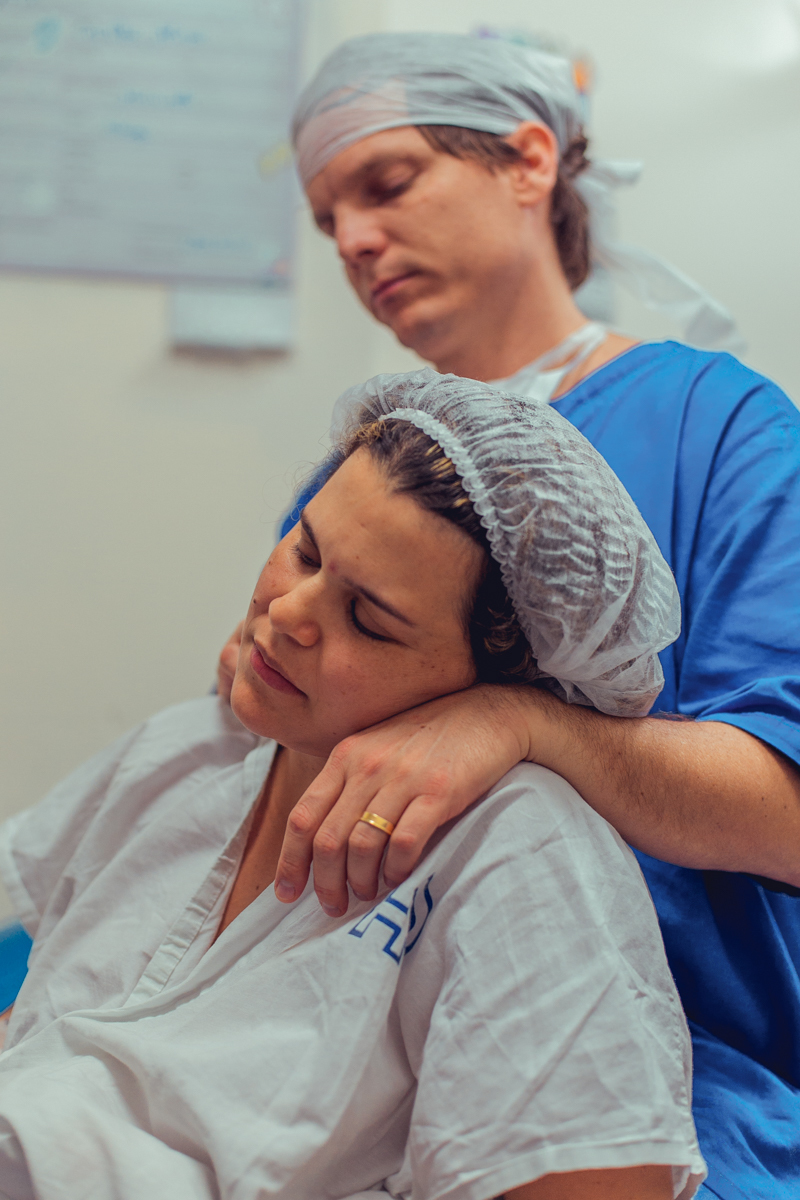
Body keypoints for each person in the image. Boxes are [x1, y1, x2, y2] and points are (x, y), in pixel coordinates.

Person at [215, 32, 800, 1200]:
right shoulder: (354, 472)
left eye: (386, 185)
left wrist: (518, 725)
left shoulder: (717, 429)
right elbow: (263, 770)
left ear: (528, 161)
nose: (357, 241)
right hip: (339, 1043)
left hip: (662, 1073)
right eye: (331, 222)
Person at [0, 372, 703, 1200]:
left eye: (369, 619)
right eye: (305, 549)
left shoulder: (512, 849)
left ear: (490, 679)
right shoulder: (196, 747)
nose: (289, 612)